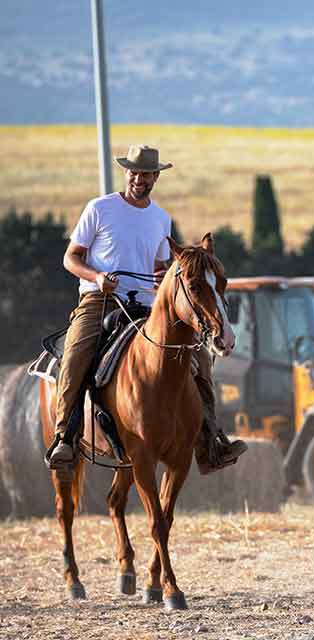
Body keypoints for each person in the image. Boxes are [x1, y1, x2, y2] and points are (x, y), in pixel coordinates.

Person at [46, 144, 247, 474]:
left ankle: (211, 440)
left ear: (156, 177)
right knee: (76, 353)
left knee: (199, 359)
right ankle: (63, 437)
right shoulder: (99, 209)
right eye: (134, 172)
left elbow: (157, 266)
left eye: (147, 174)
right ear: (126, 173)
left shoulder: (161, 218)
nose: (140, 178)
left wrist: (159, 277)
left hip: (148, 306)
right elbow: (71, 258)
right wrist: (97, 277)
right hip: (101, 300)